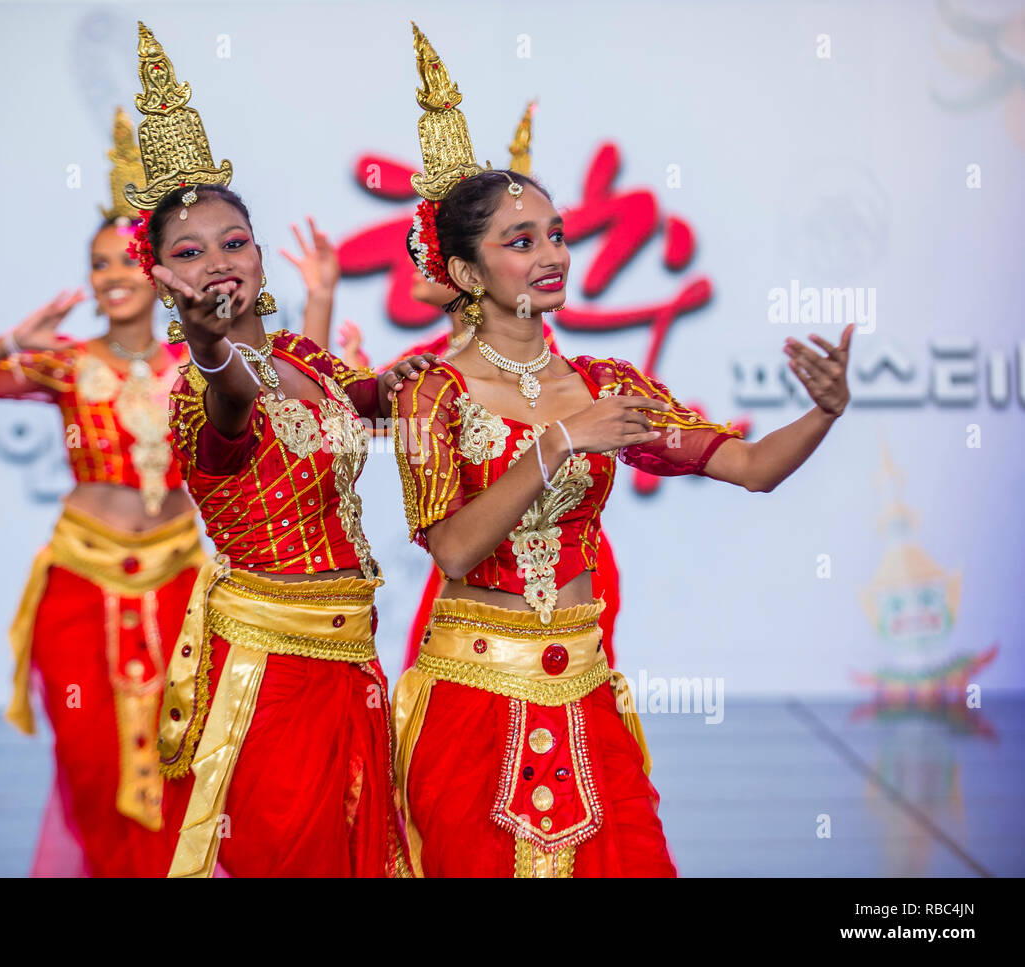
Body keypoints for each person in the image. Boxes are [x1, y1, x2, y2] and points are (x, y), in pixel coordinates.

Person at [391, 24, 854, 877]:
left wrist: (824, 414)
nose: (552, 255)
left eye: (556, 234)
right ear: (464, 272)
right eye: (520, 242)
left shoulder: (605, 378)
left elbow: (748, 467)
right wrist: (563, 439)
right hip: (472, 697)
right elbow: (454, 547)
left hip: (586, 693)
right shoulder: (433, 390)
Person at [119, 23, 427, 877]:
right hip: (267, 671)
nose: (219, 261)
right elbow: (230, 401)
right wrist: (205, 338)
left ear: (258, 253)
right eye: (190, 253)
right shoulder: (198, 384)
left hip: (352, 654)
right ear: (164, 278)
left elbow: (359, 400)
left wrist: (417, 375)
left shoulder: (302, 359)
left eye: (234, 242)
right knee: (288, 855)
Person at [0, 108, 203, 876]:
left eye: (127, 262)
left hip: (182, 583)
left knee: (188, 758)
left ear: (162, 271)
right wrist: (15, 339)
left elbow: (293, 400)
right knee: (90, 758)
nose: (111, 278)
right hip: (82, 583)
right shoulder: (65, 363)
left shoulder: (200, 364)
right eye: (99, 265)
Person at [283, 101, 622, 675]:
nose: (421, 262)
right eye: (422, 249)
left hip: (570, 568)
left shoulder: (557, 369)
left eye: (430, 251)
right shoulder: (424, 378)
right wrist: (321, 303)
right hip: (474, 579)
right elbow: (313, 420)